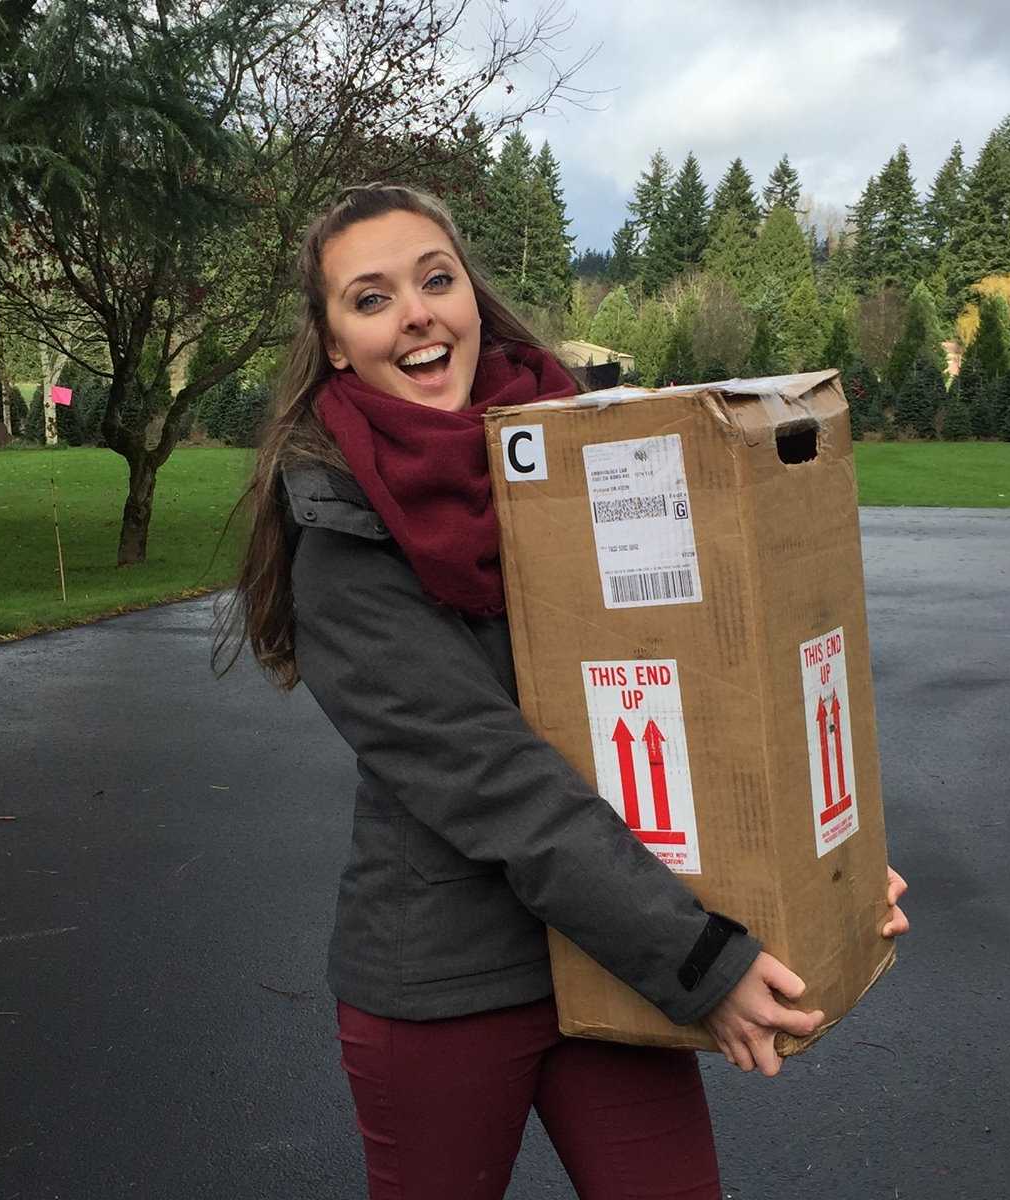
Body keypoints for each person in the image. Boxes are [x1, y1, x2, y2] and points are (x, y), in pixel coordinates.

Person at [213, 182, 910, 1199]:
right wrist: (703, 963)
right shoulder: (342, 543)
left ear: (471, 298)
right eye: (370, 298)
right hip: (449, 986)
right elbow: (503, 786)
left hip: (612, 957)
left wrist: (826, 874)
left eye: (434, 279)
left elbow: (703, 678)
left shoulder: (576, 465)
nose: (414, 313)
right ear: (331, 343)